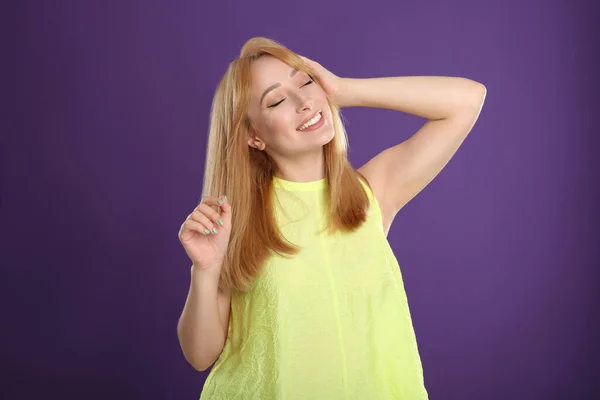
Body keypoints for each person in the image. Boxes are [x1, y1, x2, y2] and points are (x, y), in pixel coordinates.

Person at [177, 37, 486, 399]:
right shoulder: (236, 220)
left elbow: (467, 100)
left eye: (305, 81)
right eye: (277, 100)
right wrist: (205, 269)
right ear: (253, 136)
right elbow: (200, 355)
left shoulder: (371, 192)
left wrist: (342, 89)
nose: (304, 102)